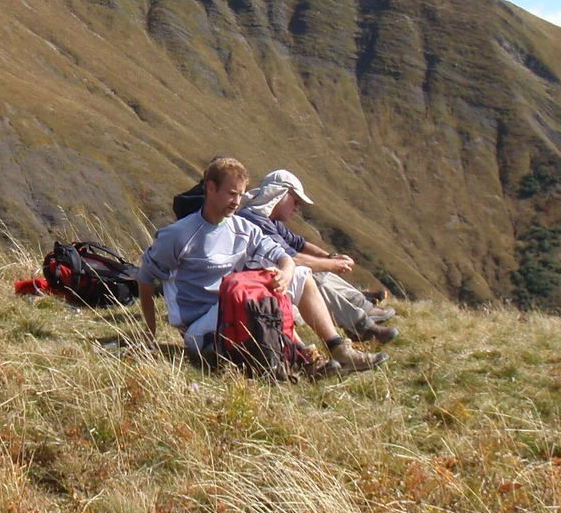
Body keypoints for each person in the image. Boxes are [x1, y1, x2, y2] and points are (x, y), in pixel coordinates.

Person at [137, 156, 385, 373]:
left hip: (236, 308)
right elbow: (145, 278)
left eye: (241, 194)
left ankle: (337, 349)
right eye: (231, 193)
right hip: (199, 327)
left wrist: (287, 274)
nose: (237, 201)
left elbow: (284, 256)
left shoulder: (242, 228)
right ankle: (302, 358)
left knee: (300, 274)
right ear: (211, 189)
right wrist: (149, 335)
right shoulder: (179, 235)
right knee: (253, 296)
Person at [238, 169, 400, 344]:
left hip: (270, 283)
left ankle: (361, 308)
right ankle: (360, 326)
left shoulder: (270, 220)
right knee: (307, 272)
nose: (297, 208)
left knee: (316, 269)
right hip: (259, 290)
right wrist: (333, 265)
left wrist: (330, 257)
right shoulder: (253, 220)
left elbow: (299, 244)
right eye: (295, 201)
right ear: (280, 195)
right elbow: (293, 259)